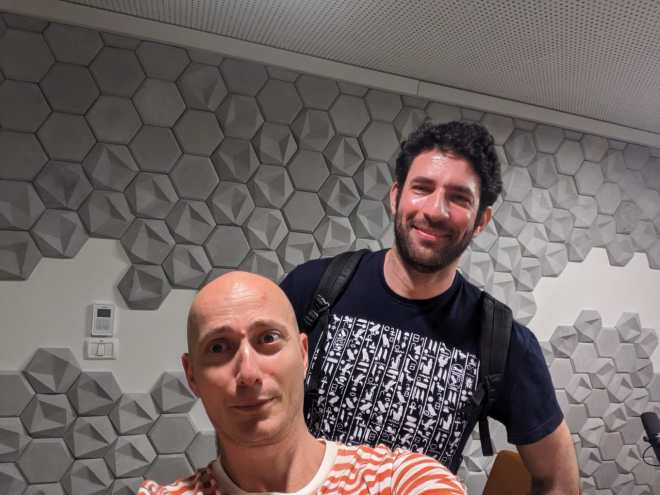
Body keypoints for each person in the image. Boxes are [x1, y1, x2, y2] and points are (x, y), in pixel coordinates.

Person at [280, 121, 579, 493]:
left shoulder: (501, 340)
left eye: (459, 198)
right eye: (422, 188)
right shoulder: (312, 289)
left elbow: (559, 479)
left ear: (481, 220)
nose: (436, 210)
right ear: (396, 197)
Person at [138, 271, 466, 494]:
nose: (248, 373)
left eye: (268, 338)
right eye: (218, 347)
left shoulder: (398, 481)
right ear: (192, 376)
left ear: (303, 353)